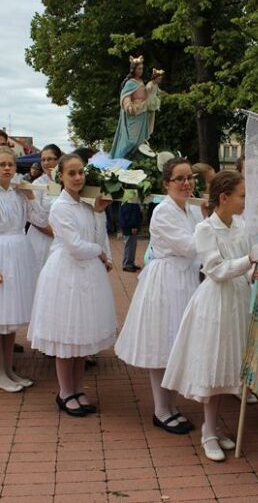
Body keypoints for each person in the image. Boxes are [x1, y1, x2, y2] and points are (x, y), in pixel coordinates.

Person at [162, 171, 258, 460]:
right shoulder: (205, 229)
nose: (245, 201)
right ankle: (208, 433)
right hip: (216, 302)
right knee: (214, 364)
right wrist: (249, 260)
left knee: (228, 364)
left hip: (238, 301)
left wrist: (255, 271)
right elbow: (216, 270)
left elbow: (246, 268)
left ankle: (214, 426)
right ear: (224, 197)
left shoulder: (241, 226)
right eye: (242, 195)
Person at [115, 157, 205, 434]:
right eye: (180, 179)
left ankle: (171, 405)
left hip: (186, 280)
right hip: (166, 282)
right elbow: (190, 246)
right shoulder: (163, 211)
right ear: (167, 183)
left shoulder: (193, 209)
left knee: (176, 344)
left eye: (189, 178)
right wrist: (214, 229)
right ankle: (161, 409)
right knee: (162, 343)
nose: (186, 183)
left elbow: (201, 247)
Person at [28, 154, 116, 416]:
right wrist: (100, 252)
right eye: (72, 173)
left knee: (81, 336)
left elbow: (96, 236)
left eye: (81, 172)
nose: (78, 178)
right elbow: (76, 246)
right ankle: (65, 392)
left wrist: (99, 213)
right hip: (66, 276)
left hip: (87, 276)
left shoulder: (85, 205)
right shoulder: (60, 207)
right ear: (61, 177)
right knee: (67, 337)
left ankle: (78, 388)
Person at [0, 146, 47, 392]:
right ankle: (0, 374)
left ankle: (8, 369)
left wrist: (30, 196)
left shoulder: (19, 191)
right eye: (2, 165)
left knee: (9, 320)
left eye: (10, 164)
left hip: (19, 254)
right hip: (2, 255)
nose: (7, 168)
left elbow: (40, 220)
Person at [27, 144, 62, 269]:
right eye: (43, 160)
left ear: (59, 160)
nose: (46, 163)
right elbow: (31, 214)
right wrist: (50, 231)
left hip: (63, 237)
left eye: (50, 159)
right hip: (41, 236)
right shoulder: (38, 184)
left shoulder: (65, 182)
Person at [110, 55, 149, 159]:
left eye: (142, 69)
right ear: (133, 69)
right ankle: (120, 159)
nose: (141, 71)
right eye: (139, 69)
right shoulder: (130, 83)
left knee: (140, 141)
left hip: (142, 112)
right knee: (132, 141)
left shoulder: (141, 82)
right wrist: (128, 106)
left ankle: (134, 160)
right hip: (133, 112)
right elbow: (125, 96)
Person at [119, 203, 143, 272]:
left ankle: (130, 263)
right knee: (129, 246)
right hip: (130, 227)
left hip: (128, 227)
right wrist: (133, 226)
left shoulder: (128, 202)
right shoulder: (131, 203)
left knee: (131, 246)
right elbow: (131, 214)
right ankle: (127, 264)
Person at [146, 68, 164, 135]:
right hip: (149, 102)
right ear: (154, 78)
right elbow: (147, 88)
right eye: (158, 79)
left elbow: (158, 91)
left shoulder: (156, 85)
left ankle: (149, 132)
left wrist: (163, 93)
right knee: (147, 117)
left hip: (153, 103)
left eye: (160, 79)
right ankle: (145, 131)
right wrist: (148, 89)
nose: (159, 81)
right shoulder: (150, 83)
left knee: (151, 118)